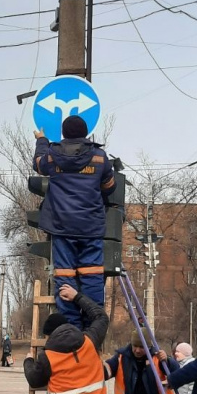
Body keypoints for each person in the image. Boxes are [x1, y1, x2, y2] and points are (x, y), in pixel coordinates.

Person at [33, 115, 116, 329]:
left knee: (65, 276)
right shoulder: (99, 157)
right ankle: (94, 325)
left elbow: (38, 165)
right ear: (85, 133)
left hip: (62, 228)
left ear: (63, 134)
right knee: (92, 275)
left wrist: (42, 140)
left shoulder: (52, 156)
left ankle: (72, 327)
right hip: (91, 227)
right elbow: (109, 186)